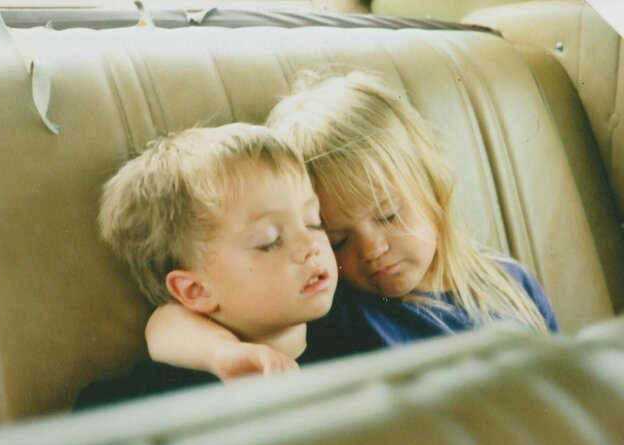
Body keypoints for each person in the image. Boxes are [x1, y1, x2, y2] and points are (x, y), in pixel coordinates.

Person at [145, 70, 558, 380]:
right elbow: (168, 321)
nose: (372, 249)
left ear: (432, 186)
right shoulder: (342, 309)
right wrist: (223, 354)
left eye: (388, 215)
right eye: (338, 239)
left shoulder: (509, 281)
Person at [74, 123, 338, 410]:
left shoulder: (357, 323)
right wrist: (224, 354)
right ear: (196, 290)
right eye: (269, 241)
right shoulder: (155, 401)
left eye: (314, 221)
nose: (310, 245)